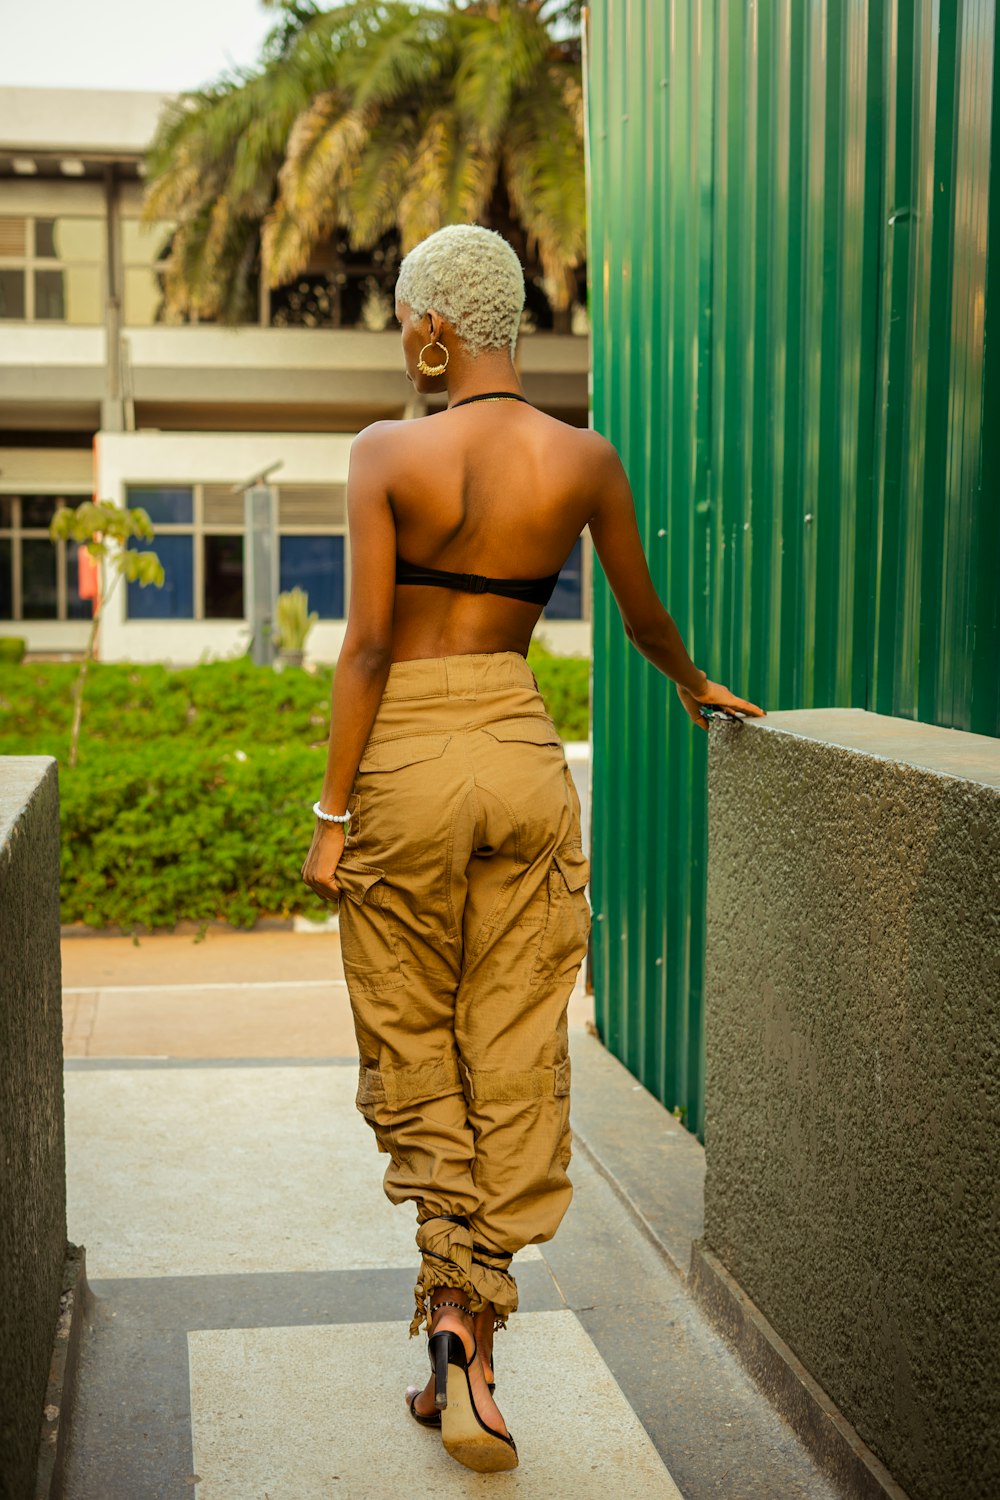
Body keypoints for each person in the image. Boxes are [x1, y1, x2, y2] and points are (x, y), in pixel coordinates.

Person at [301, 223, 763, 1473]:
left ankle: (448, 1318)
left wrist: (333, 818)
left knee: (416, 1036)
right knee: (512, 1041)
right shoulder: (585, 458)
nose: (407, 345)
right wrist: (693, 682)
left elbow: (365, 647)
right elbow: (641, 609)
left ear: (438, 330)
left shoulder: (384, 451)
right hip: (517, 747)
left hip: (404, 760)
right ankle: (472, 1331)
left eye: (408, 325)